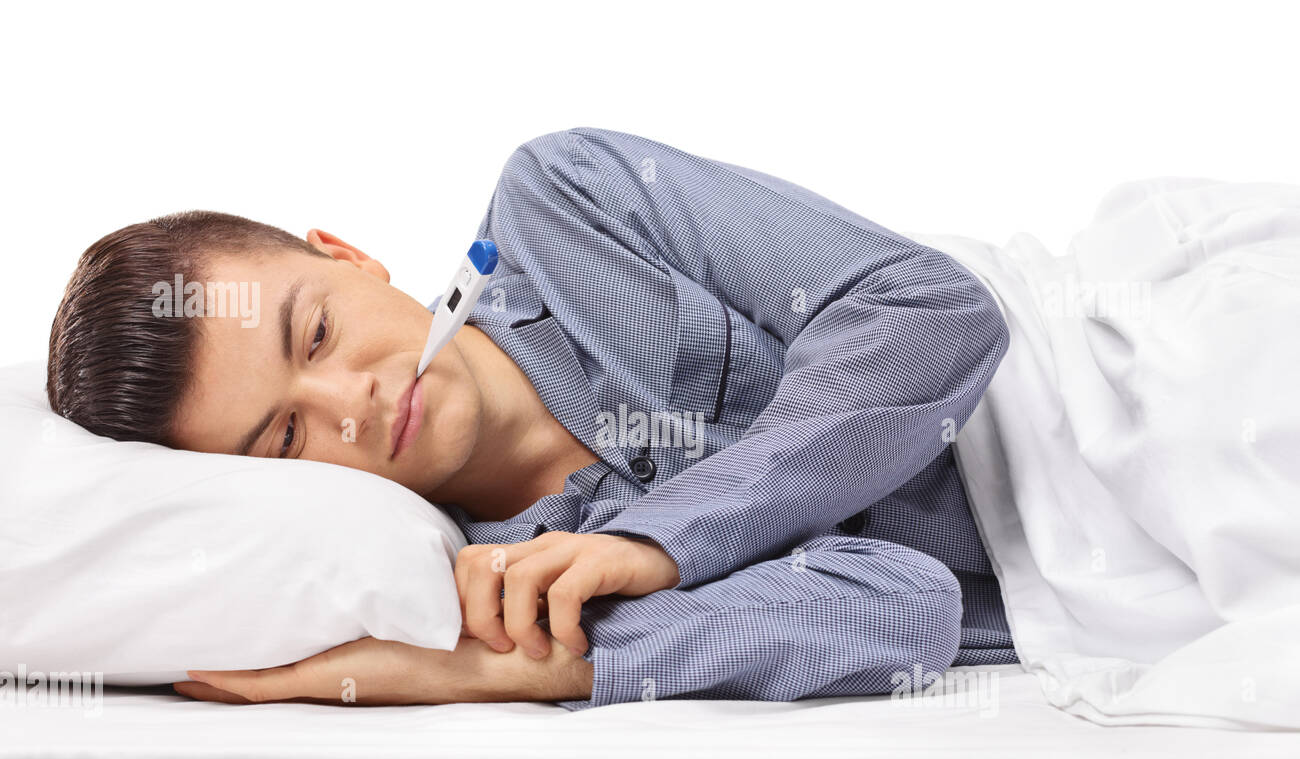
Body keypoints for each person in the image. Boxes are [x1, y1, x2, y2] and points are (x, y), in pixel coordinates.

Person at [46, 127, 1014, 708]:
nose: (359, 401)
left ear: (344, 253)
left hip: (1088, 386)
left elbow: (930, 313)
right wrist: (512, 673)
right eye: (289, 436)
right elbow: (903, 607)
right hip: (1109, 572)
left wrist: (664, 539)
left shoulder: (568, 199)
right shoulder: (511, 583)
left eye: (317, 335)